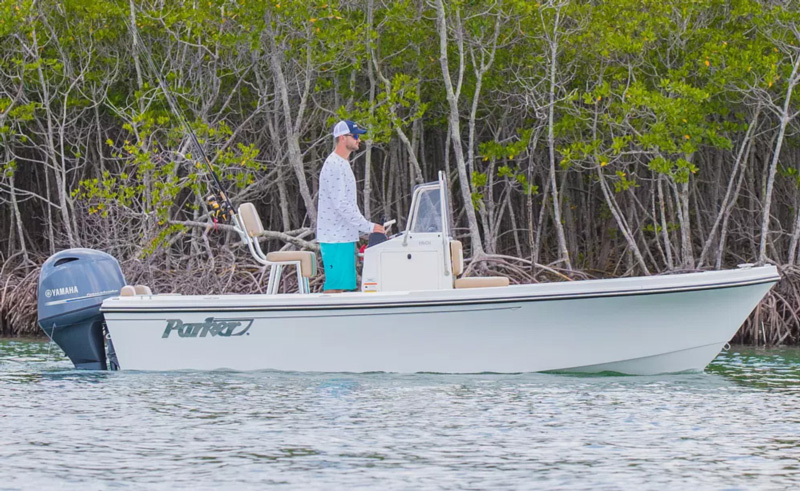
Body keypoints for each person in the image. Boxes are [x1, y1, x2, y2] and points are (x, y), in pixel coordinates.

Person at [317, 120, 385, 293]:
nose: (358, 140)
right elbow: (342, 205)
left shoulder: (342, 164)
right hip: (334, 237)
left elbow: (347, 204)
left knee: (341, 287)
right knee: (335, 287)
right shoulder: (334, 165)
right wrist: (369, 227)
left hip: (343, 236)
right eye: (354, 136)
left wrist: (363, 229)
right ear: (342, 138)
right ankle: (324, 318)